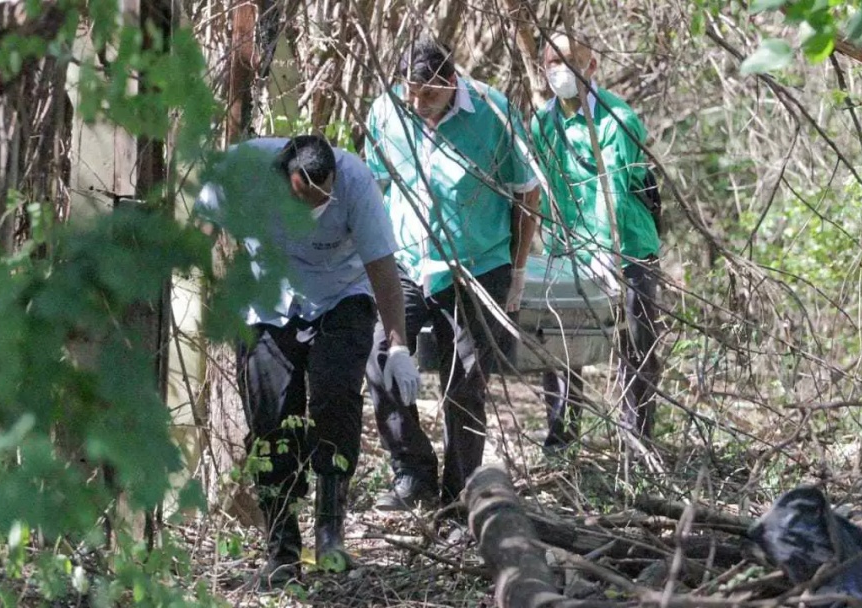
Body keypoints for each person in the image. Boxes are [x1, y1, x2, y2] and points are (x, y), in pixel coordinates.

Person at [195, 135, 421, 590]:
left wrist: (397, 346)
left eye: (323, 199)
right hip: (268, 300)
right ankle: (281, 549)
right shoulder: (244, 169)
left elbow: (383, 270)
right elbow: (197, 234)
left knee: (335, 397)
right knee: (270, 419)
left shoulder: (356, 182)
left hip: (343, 295)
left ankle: (330, 533)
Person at [363, 38, 540, 511]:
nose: (418, 105)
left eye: (430, 95)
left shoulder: (493, 112)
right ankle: (412, 472)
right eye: (411, 93)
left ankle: (458, 494)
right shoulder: (386, 112)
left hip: (477, 263)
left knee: (464, 381)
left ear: (452, 82)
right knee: (382, 357)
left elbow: (528, 196)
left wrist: (517, 273)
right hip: (405, 258)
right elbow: (374, 189)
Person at [530, 34, 663, 452]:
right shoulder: (542, 124)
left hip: (626, 249)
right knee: (559, 343)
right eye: (553, 63)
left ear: (590, 69)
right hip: (566, 250)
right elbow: (545, 190)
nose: (560, 72)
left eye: (570, 63)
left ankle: (635, 438)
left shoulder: (615, 119)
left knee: (635, 340)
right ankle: (562, 433)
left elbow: (615, 189)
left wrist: (607, 251)